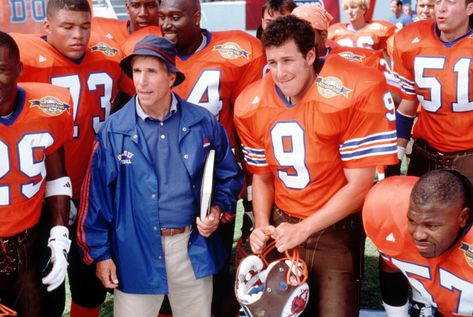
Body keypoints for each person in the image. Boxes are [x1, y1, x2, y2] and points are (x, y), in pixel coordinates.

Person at [234, 15, 397, 316]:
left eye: (288, 60)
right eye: (272, 62)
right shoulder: (250, 103)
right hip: (283, 225)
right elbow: (262, 176)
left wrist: (304, 228)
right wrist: (260, 224)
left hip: (335, 231)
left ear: (310, 55)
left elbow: (361, 186)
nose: (279, 73)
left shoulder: (354, 89)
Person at [77, 34, 243, 317]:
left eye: (151, 71)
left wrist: (216, 208)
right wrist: (101, 254)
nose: (141, 81)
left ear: (171, 77)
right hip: (134, 250)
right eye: (137, 71)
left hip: (191, 245)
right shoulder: (113, 130)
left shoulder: (203, 122)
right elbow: (95, 200)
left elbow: (229, 175)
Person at [11, 0, 131, 316]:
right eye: (67, 27)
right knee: (38, 286)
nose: (78, 35)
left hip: (96, 188)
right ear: (47, 27)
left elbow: (130, 96)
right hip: (38, 194)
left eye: (84, 26)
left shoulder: (109, 54)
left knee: (90, 281)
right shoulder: (23, 57)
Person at [157, 1, 266, 315]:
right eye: (162, 17)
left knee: (212, 268)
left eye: (175, 17)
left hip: (212, 177)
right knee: (163, 276)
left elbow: (247, 118)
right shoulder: (148, 52)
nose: (166, 25)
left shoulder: (238, 50)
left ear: (196, 16)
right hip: (162, 183)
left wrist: (246, 177)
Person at [0, 31, 73, 317]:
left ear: (19, 69)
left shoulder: (47, 109)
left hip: (29, 243)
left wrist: (59, 237)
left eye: (1, 70)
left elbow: (57, 179)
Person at [363, 170, 473, 317]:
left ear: (463, 218)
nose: (418, 235)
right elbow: (391, 266)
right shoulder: (389, 210)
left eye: (431, 226)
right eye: (412, 221)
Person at [392, 0, 473, 181]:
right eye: (437, 2)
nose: (441, 8)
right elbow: (407, 104)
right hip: (424, 153)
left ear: (470, 8)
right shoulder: (413, 40)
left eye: (450, 2)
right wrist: (396, 157)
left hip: (468, 158)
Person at [328, 0, 396, 51]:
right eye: (346, 8)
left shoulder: (379, 30)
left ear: (364, 9)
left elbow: (390, 57)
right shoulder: (334, 31)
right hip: (344, 69)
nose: (349, 12)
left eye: (353, 7)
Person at [89, 0, 160, 49]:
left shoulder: (167, 37)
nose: (143, 13)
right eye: (135, 6)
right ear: (127, 8)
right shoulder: (99, 26)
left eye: (150, 6)